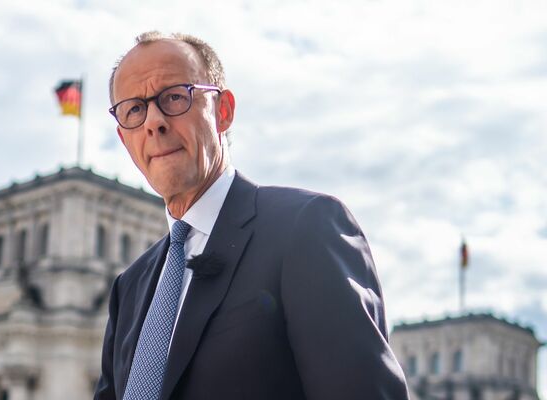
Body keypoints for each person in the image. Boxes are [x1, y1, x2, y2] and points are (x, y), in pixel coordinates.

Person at [95, 31, 409, 400]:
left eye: (175, 98)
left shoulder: (305, 228)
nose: (154, 122)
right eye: (134, 109)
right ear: (123, 137)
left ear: (223, 111)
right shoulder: (129, 287)